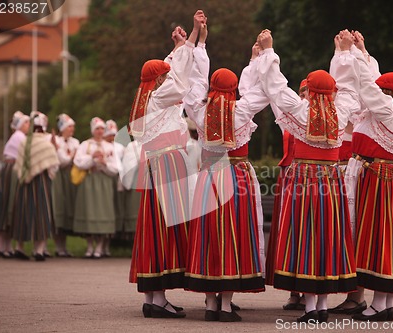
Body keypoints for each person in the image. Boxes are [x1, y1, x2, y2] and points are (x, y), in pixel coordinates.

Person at [257, 30, 357, 323]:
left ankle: (312, 307)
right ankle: (321, 305)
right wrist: (343, 54)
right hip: (331, 180)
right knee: (327, 235)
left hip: (304, 180)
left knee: (305, 237)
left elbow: (277, 88)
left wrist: (268, 52)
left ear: (310, 92)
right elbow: (350, 89)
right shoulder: (340, 113)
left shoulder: (302, 112)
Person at [183, 27, 269, 322]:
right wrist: (256, 61)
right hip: (238, 175)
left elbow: (193, 85)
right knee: (235, 232)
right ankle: (226, 304)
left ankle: (210, 303)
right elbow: (260, 91)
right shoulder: (242, 110)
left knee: (210, 233)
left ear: (212, 87)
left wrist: (201, 44)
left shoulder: (200, 111)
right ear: (234, 89)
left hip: (210, 174)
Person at [333, 30, 393, 321]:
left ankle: (382, 304)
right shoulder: (391, 110)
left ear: (390, 95)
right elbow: (372, 82)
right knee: (383, 237)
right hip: (380, 177)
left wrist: (348, 54)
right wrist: (362, 51)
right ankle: (382, 302)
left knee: (379, 238)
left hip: (375, 178)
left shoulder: (386, 109)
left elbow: (368, 85)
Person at [128, 11, 205, 319]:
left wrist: (180, 45)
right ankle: (156, 298)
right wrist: (193, 37)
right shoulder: (160, 97)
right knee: (164, 226)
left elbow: (172, 69)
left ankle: (154, 297)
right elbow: (180, 76)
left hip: (155, 165)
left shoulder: (147, 96)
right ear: (160, 79)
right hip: (167, 164)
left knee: (154, 226)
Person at [264, 80, 304, 310]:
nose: (305, 97)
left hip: (309, 182)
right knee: (289, 233)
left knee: (305, 232)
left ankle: (309, 291)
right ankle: (293, 290)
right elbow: (275, 98)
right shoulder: (289, 121)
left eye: (309, 92)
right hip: (289, 181)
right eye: (302, 93)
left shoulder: (322, 118)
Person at [11, 112, 60, 261]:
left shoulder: (24, 143)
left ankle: (19, 247)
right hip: (41, 183)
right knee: (41, 215)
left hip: (24, 184)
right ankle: (39, 250)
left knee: (23, 212)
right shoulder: (46, 144)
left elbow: (19, 164)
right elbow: (53, 166)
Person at [73, 117, 119, 259]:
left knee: (103, 212)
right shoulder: (85, 144)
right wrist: (92, 158)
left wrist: (105, 164)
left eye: (101, 129)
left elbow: (116, 168)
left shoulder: (109, 147)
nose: (99, 131)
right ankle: (89, 246)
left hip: (103, 182)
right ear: (93, 130)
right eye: (97, 129)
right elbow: (78, 162)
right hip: (89, 181)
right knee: (89, 212)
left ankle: (99, 246)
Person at [0, 111, 30, 259]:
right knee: (9, 203)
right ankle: (3, 246)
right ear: (19, 125)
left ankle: (3, 246)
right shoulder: (20, 137)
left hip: (9, 171)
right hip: (12, 171)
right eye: (25, 123)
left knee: (7, 204)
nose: (28, 125)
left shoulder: (18, 137)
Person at [51, 113, 80, 257]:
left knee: (69, 206)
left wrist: (72, 158)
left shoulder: (75, 142)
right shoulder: (56, 141)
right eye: (70, 126)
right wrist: (71, 157)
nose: (72, 129)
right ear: (63, 128)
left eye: (73, 126)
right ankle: (58, 246)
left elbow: (78, 159)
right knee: (60, 206)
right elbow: (60, 161)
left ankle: (64, 246)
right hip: (60, 177)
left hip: (71, 177)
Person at [103, 119, 125, 257]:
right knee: (106, 210)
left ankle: (108, 244)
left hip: (118, 180)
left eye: (113, 134)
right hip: (106, 180)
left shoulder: (121, 147)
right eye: (109, 134)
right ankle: (103, 245)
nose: (112, 137)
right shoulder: (103, 146)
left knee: (115, 210)